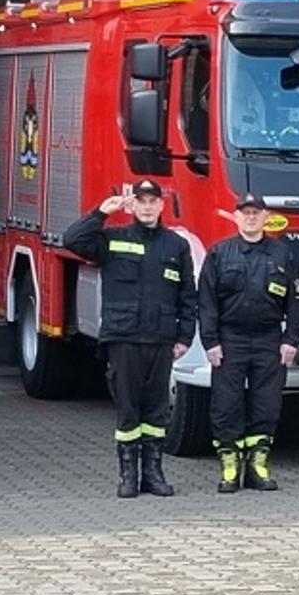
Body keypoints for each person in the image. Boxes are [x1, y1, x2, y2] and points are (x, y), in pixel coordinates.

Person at [63, 180, 196, 498]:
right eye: (141, 201)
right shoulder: (113, 239)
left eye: (153, 201)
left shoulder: (176, 245)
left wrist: (185, 337)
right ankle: (128, 476)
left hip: (162, 340)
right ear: (132, 205)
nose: (148, 207)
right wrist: (99, 213)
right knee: (128, 411)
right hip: (123, 338)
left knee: (156, 411)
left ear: (162, 206)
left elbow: (188, 297)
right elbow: (72, 240)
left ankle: (153, 474)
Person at [199, 194, 299, 493]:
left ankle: (258, 465)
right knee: (226, 404)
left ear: (265, 217)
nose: (250, 218)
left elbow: (296, 300)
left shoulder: (282, 254)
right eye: (245, 213)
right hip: (229, 340)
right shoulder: (220, 253)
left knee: (267, 404)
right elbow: (206, 302)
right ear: (236, 217)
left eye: (256, 213)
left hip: (269, 339)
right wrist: (210, 342)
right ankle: (230, 467)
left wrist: (290, 339)